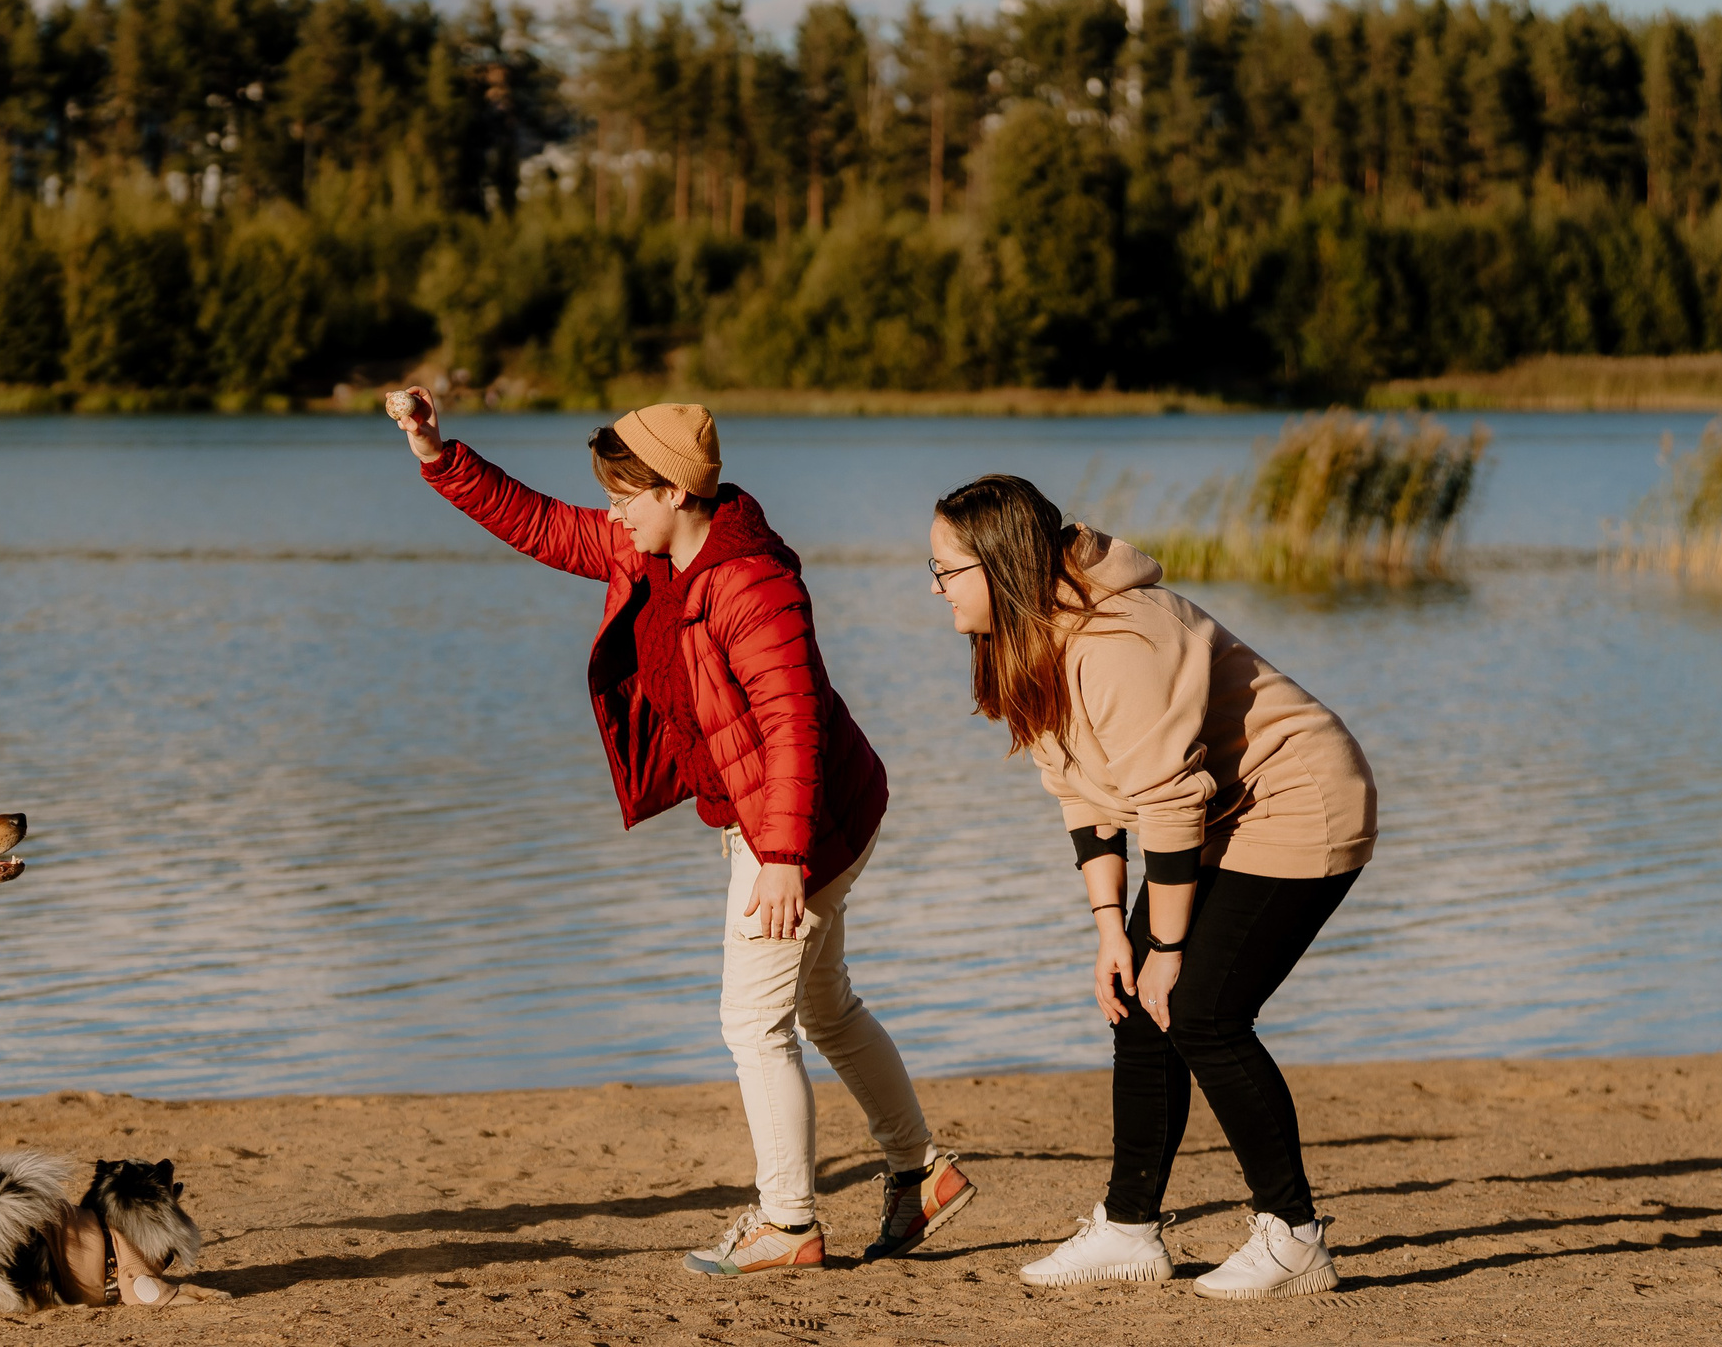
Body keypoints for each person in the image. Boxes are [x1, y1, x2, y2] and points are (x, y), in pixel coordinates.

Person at [394, 389, 973, 1275]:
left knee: (752, 1022)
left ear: (674, 491)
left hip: (806, 820)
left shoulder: (753, 582)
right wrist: (437, 452)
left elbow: (794, 726)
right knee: (824, 1005)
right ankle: (920, 1173)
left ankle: (788, 1224)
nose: (612, 510)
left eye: (624, 492)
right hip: (786, 815)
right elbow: (540, 524)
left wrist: (782, 858)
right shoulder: (649, 554)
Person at [925, 474, 1375, 1301]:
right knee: (1138, 1001)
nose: (936, 588)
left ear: (999, 565)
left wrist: (1166, 946)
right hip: (1212, 813)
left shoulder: (1117, 639)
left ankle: (1295, 1237)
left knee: (1202, 1011)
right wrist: (1112, 933)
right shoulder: (1031, 635)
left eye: (947, 570)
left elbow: (1168, 800)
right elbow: (1084, 791)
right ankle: (1130, 1230)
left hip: (1298, 799)